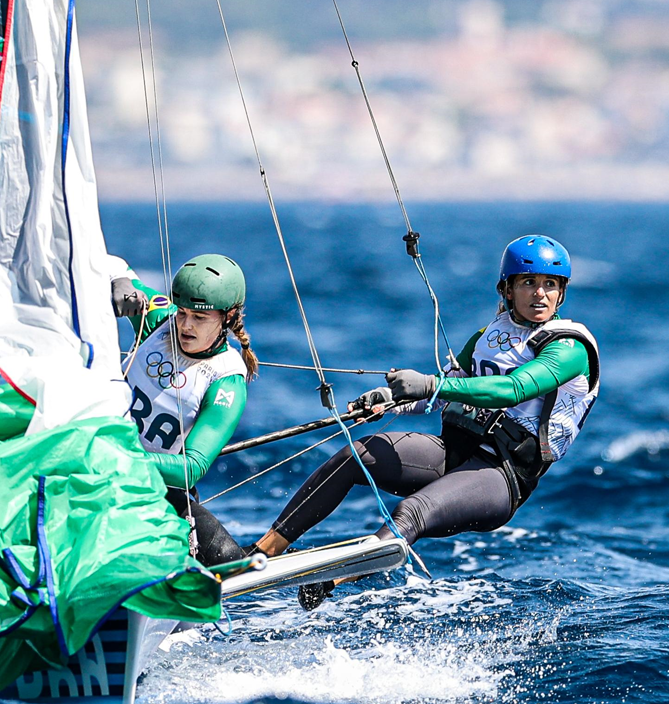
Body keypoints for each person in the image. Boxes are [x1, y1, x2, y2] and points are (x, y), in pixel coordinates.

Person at [244, 235, 600, 609]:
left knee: (411, 511)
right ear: (507, 289)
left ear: (561, 294)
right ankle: (262, 552)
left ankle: (333, 578)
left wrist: (430, 383)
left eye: (550, 285)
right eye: (528, 283)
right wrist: (392, 400)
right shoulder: (489, 336)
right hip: (455, 452)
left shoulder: (569, 348)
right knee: (360, 453)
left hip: (501, 476)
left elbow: (512, 389)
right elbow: (446, 388)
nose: (540, 294)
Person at [110, 254, 259, 567]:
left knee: (226, 559)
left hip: (157, 489)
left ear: (228, 317)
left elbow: (192, 466)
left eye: (200, 318)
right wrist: (121, 285)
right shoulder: (158, 321)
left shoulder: (226, 383)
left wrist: (122, 460)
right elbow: (112, 264)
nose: (185, 325)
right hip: (96, 463)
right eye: (183, 313)